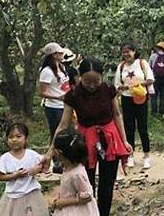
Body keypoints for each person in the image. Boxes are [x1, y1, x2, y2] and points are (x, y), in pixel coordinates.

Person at [41, 58, 132, 216]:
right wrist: (50, 152)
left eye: (96, 81)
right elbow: (63, 124)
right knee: (86, 183)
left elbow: (117, 114)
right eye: (87, 81)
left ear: (102, 77)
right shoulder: (73, 95)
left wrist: (124, 140)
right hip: (85, 142)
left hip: (109, 139)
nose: (91, 85)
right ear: (79, 77)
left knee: (106, 185)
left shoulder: (108, 90)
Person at [0, 123, 48, 216]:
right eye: (11, 137)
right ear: (7, 140)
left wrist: (38, 169)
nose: (14, 140)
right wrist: (15, 175)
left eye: (18, 136)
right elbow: (1, 177)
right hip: (12, 196)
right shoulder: (5, 158)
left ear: (26, 139)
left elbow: (44, 163)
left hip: (31, 194)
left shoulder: (32, 155)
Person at [114, 42, 154, 169]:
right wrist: (122, 87)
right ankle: (130, 155)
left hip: (141, 98)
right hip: (127, 99)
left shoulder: (142, 63)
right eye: (123, 52)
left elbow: (150, 79)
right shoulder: (121, 67)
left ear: (134, 51)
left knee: (142, 127)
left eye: (128, 51)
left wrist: (137, 84)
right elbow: (116, 84)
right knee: (128, 128)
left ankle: (146, 156)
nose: (126, 54)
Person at [50, 129, 99, 215]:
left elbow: (87, 197)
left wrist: (63, 202)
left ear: (59, 153)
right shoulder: (68, 168)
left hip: (77, 211)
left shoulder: (77, 174)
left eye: (54, 149)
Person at [38, 42, 70, 174]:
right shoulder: (46, 72)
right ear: (54, 55)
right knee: (57, 133)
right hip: (54, 107)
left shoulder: (62, 67)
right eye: (60, 53)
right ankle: (56, 161)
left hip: (65, 105)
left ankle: (65, 159)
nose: (62, 55)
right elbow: (42, 92)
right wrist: (58, 97)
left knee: (67, 132)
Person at [149, 41, 164, 116]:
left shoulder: (153, 56)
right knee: (163, 96)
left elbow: (149, 67)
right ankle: (161, 113)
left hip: (155, 79)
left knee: (154, 96)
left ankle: (154, 113)